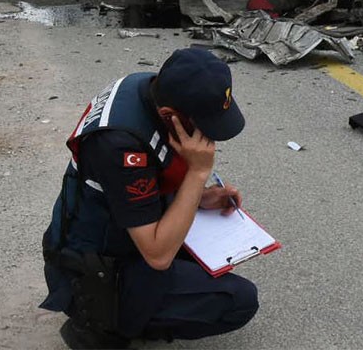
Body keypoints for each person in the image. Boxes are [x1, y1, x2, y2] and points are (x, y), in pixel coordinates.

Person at [40, 48, 258, 348]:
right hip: (93, 268)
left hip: (118, 229)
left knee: (215, 259)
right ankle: (102, 323)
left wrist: (201, 197)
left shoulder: (148, 87)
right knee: (239, 300)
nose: (209, 138)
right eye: (204, 128)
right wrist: (197, 174)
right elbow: (157, 255)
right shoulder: (120, 146)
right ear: (170, 116)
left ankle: (131, 309)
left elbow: (147, 182)